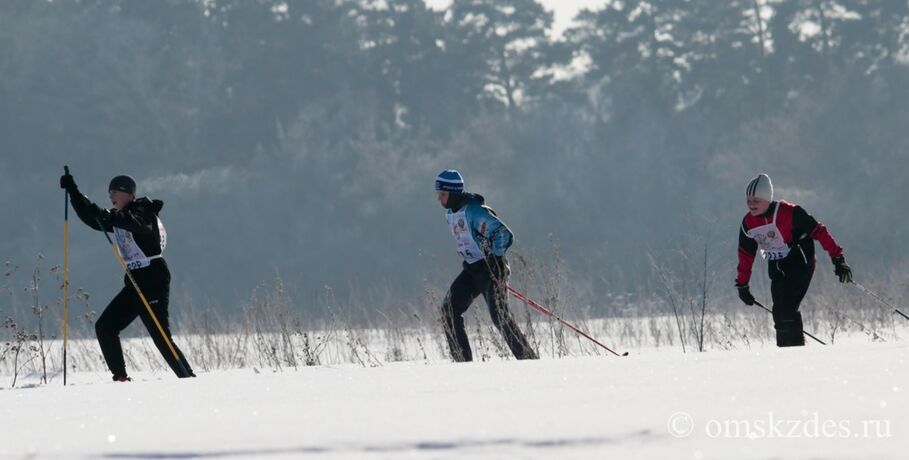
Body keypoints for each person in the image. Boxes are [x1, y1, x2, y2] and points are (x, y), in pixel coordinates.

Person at [60, 171, 194, 380]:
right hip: (134, 280)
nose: (110, 195)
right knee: (105, 327)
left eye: (115, 191)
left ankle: (187, 378)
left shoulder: (143, 211)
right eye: (109, 191)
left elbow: (134, 223)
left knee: (159, 334)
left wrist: (104, 214)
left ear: (128, 194)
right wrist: (73, 192)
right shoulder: (119, 216)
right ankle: (121, 377)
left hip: (153, 277)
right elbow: (92, 217)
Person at [735, 173, 852, 347]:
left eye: (756, 200)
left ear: (767, 199)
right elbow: (746, 254)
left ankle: (795, 355)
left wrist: (838, 258)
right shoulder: (748, 223)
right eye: (748, 200)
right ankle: (786, 352)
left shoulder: (790, 212)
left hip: (800, 263)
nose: (751, 205)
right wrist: (742, 284)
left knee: (786, 308)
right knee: (779, 311)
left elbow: (819, 232)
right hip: (777, 266)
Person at [435, 169, 538, 362]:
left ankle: (529, 361)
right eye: (438, 194)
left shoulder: (474, 210)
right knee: (449, 311)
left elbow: (503, 234)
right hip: (472, 270)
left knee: (500, 318)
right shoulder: (451, 213)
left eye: (442, 194)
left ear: (453, 192)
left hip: (492, 269)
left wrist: (494, 258)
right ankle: (463, 364)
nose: (439, 199)